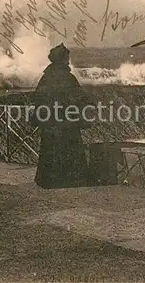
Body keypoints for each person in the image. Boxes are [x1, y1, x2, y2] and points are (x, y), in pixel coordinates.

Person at [33, 43, 93, 189]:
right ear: (63, 59)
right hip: (67, 122)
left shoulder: (46, 77)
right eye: (67, 57)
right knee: (69, 150)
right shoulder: (68, 77)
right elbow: (79, 97)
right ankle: (70, 181)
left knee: (50, 151)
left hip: (49, 123)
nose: (68, 60)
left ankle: (48, 181)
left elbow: (39, 97)